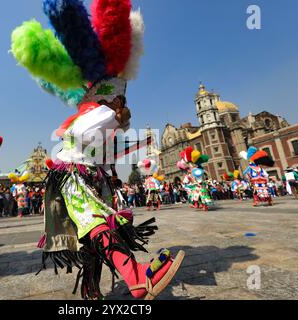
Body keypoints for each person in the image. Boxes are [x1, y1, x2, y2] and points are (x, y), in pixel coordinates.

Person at [11, 0, 185, 300]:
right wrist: (113, 118)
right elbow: (83, 133)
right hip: (75, 178)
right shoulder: (94, 113)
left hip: (92, 176)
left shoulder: (103, 115)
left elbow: (103, 147)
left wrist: (124, 133)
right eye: (119, 100)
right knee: (98, 226)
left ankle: (91, 290)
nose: (123, 104)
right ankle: (135, 276)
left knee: (92, 237)